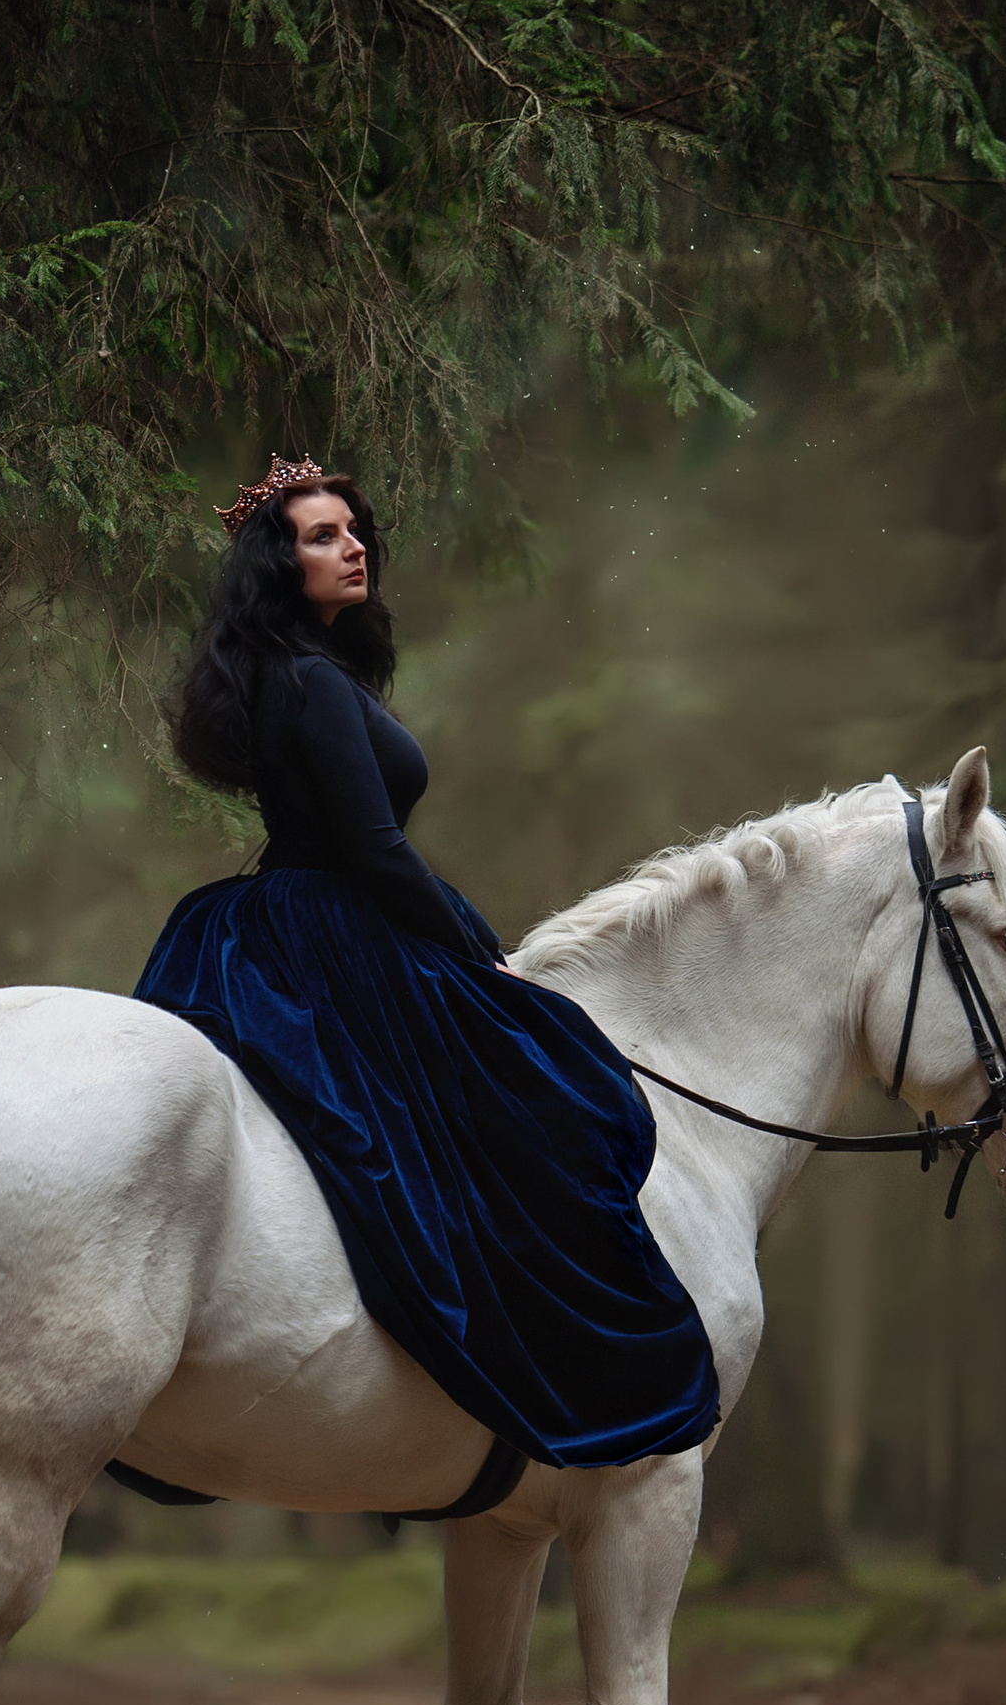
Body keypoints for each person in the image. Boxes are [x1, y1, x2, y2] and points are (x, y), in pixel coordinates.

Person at [130, 455, 717, 1490]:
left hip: (289, 916)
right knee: (544, 1082)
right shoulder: (308, 680)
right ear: (279, 566)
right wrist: (466, 940)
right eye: (320, 535)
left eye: (352, 529)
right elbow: (372, 844)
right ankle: (526, 1354)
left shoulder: (302, 673)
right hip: (336, 921)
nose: (351, 544)